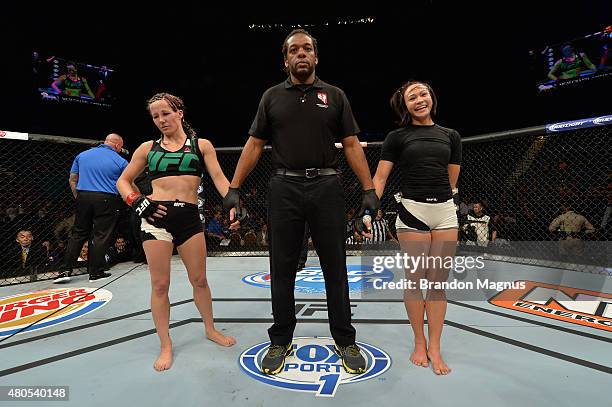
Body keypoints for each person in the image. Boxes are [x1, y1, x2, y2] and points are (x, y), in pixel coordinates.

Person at [223, 29, 380, 375]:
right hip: (284, 186)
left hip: (327, 185)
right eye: (294, 50)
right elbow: (253, 144)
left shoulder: (335, 95)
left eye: (307, 48)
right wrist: (234, 187)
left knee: (335, 268)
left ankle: (345, 339)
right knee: (281, 269)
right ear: (286, 60)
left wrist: (369, 190)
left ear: (316, 57)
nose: (301, 54)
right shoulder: (271, 97)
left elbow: (352, 145)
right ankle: (280, 339)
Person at [116, 92, 237, 372]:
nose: (161, 120)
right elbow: (124, 181)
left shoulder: (201, 145)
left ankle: (210, 329)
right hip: (155, 217)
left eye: (166, 113)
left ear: (179, 113)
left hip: (189, 218)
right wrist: (137, 201)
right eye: (156, 116)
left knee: (200, 279)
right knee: (159, 285)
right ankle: (165, 344)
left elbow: (219, 179)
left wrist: (232, 203)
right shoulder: (147, 148)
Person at [373, 80, 461, 375]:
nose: (420, 99)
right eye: (413, 97)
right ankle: (419, 341)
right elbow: (381, 176)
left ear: (431, 98)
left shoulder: (451, 135)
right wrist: (370, 206)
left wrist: (440, 201)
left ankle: (435, 347)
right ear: (405, 105)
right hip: (413, 213)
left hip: (445, 214)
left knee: (437, 284)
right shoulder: (397, 137)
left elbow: (451, 180)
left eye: (423, 94)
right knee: (415, 280)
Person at [54, 133, 128, 283]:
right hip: (107, 198)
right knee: (101, 235)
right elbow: (126, 182)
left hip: (84, 196)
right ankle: (95, 272)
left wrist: (78, 196)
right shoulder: (121, 160)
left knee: (78, 233)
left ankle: (65, 271)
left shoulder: (82, 155)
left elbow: (72, 179)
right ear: (117, 145)